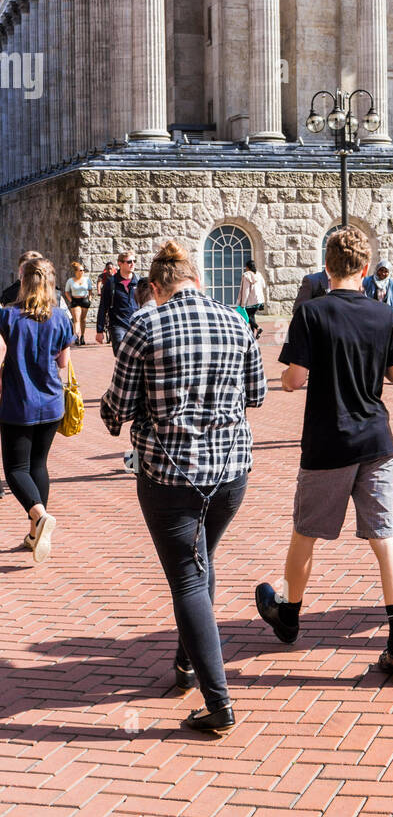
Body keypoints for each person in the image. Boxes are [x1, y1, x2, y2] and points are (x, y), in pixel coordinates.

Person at [100, 240, 266, 736]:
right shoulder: (237, 320)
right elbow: (255, 393)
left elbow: (120, 406)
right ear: (197, 279)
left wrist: (113, 416)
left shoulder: (145, 325)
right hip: (231, 470)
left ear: (155, 287)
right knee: (201, 562)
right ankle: (188, 662)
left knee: (189, 578)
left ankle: (219, 703)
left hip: (171, 473)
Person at [255, 227, 393, 681]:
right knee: (385, 538)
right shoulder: (383, 314)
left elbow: (292, 380)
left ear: (327, 269)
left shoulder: (311, 313)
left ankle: (288, 616)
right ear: (365, 270)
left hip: (328, 438)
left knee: (306, 531)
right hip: (376, 440)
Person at [0, 257, 73, 561]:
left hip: (18, 402)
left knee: (16, 469)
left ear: (23, 280)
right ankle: (34, 534)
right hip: (51, 402)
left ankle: (40, 517)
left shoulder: (8, 317)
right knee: (39, 466)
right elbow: (64, 363)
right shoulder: (60, 319)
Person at [96, 252, 139, 355]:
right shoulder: (111, 283)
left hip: (136, 325)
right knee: (121, 354)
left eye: (134, 261)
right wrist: (99, 330)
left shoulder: (139, 282)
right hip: (118, 325)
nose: (132, 264)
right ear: (120, 263)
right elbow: (103, 307)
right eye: (129, 261)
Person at [65, 261, 94, 346]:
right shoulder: (70, 281)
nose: (82, 272)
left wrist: (90, 299)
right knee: (77, 319)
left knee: (83, 319)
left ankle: (82, 336)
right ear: (76, 271)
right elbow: (67, 292)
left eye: (83, 270)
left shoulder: (87, 280)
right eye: (80, 270)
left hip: (84, 300)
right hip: (75, 300)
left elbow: (90, 290)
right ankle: (77, 336)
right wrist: (71, 300)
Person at [237, 259, 267, 339]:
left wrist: (243, 304)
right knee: (251, 316)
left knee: (247, 317)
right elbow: (263, 285)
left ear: (247, 267)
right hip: (259, 300)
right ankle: (252, 336)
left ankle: (258, 328)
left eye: (246, 267)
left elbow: (246, 291)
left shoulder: (246, 275)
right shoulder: (258, 274)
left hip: (250, 301)